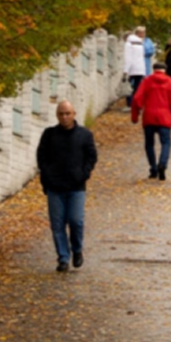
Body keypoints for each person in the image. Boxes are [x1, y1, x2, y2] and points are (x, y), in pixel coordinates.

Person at [36, 100, 98, 272]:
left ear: (74, 114)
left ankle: (77, 249)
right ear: (57, 115)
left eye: (67, 113)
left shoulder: (84, 135)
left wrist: (83, 173)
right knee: (57, 225)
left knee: (76, 220)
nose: (64, 117)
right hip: (55, 187)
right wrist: (47, 176)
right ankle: (63, 257)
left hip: (76, 187)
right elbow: (41, 156)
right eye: (61, 114)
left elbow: (91, 157)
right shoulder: (49, 134)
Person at [131, 60, 171, 180]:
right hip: (165, 117)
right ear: (165, 70)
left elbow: (137, 99)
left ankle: (153, 168)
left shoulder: (147, 81)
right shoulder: (170, 82)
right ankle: (162, 164)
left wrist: (135, 116)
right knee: (166, 143)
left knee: (149, 144)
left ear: (153, 69)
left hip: (149, 116)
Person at [123, 27, 148, 107]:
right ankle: (138, 104)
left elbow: (128, 58)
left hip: (132, 69)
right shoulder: (140, 43)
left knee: (129, 88)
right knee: (137, 87)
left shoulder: (128, 44)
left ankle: (131, 104)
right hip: (140, 69)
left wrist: (125, 71)